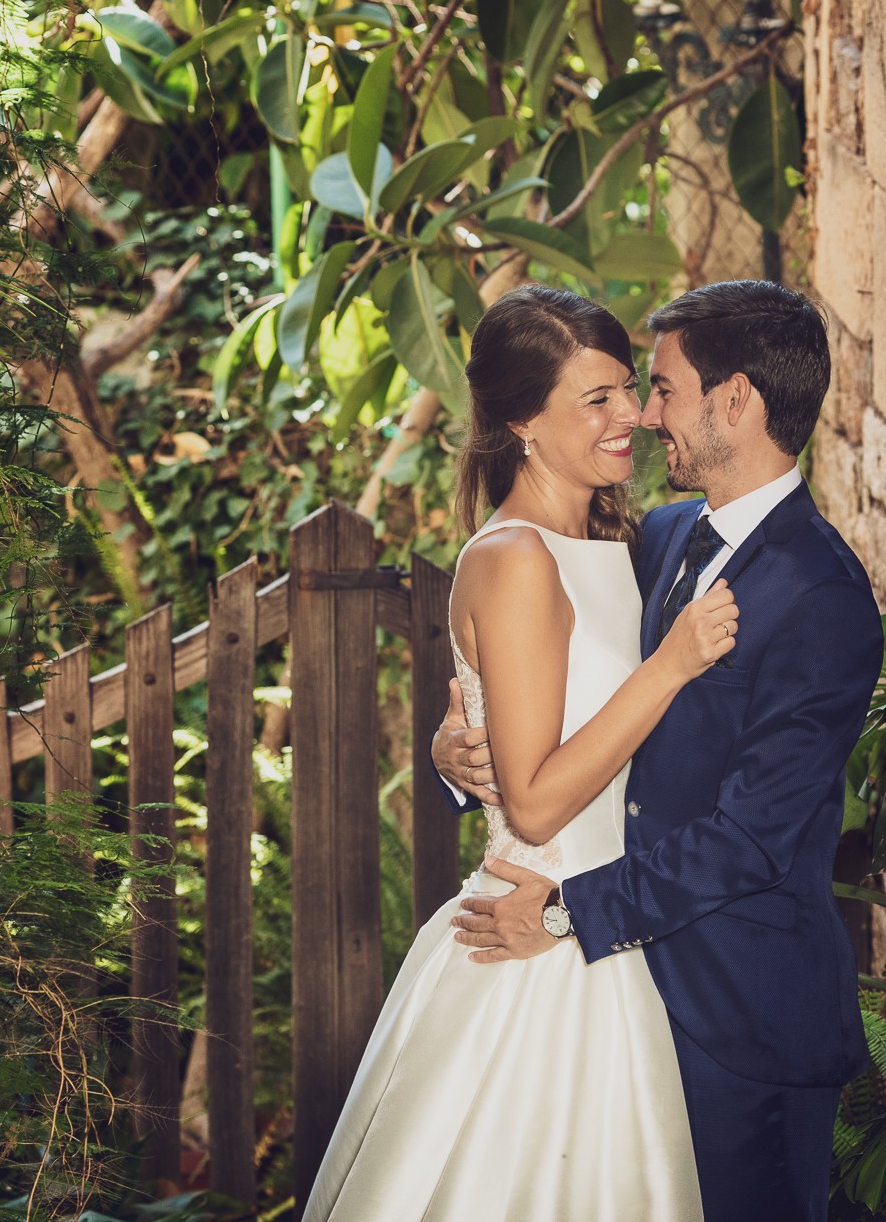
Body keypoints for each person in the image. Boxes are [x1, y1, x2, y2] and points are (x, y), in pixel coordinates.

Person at [434, 280, 883, 1222]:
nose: (644, 415)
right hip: (625, 1000)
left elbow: (752, 840)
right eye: (621, 394)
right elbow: (565, 694)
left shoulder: (822, 598)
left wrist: (564, 916)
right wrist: (457, 748)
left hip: (741, 1017)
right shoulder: (661, 537)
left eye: (663, 388)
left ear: (736, 399)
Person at [302, 286, 738, 1222]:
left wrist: (450, 747)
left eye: (628, 389)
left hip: (610, 924)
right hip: (539, 945)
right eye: (598, 400)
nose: (632, 415)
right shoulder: (517, 560)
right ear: (521, 423)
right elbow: (536, 804)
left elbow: (542, 732)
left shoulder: (620, 541)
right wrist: (667, 668)